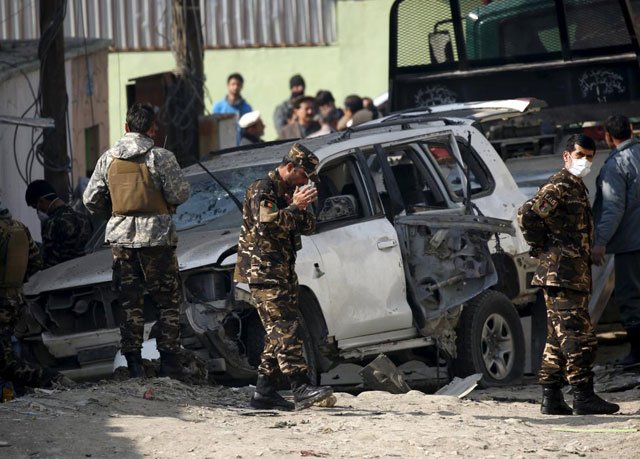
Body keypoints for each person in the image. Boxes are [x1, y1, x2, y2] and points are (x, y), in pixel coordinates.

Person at [83, 103, 191, 379]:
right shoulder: (161, 156)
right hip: (157, 238)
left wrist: (115, 210)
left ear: (127, 127)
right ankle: (170, 363)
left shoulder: (108, 159)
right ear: (153, 128)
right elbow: (179, 194)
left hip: (121, 239)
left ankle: (134, 364)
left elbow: (89, 199)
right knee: (168, 301)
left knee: (130, 303)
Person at [518, 134, 619, 415]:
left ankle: (551, 397)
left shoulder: (576, 187)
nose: (585, 161)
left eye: (589, 156)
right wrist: (540, 245)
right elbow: (528, 215)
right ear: (566, 156)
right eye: (579, 155)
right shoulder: (559, 186)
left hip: (571, 274)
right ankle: (583, 395)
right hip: (561, 274)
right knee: (578, 336)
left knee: (557, 339)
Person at [234, 143, 333, 411]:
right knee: (285, 328)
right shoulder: (261, 189)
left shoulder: (288, 194)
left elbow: (310, 227)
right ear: (290, 167)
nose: (306, 182)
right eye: (303, 176)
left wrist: (300, 207)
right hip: (264, 272)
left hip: (283, 271)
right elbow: (267, 226)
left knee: (276, 333)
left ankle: (264, 392)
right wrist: (293, 208)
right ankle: (300, 387)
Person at [0, 192, 73, 389]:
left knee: (5, 362)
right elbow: (35, 262)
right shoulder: (18, 227)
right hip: (15, 300)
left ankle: (49, 379)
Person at [592, 115, 640, 366]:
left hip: (631, 245)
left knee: (631, 297)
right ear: (632, 130)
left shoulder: (615, 165)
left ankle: (637, 354)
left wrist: (599, 242)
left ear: (608, 138)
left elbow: (613, 208)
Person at [25, 180, 92, 268]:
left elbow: (49, 262)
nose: (37, 211)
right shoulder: (84, 218)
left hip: (63, 276)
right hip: (86, 271)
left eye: (35, 207)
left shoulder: (52, 223)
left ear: (42, 201)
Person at [212, 73, 253, 145]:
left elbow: (250, 131)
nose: (235, 87)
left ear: (242, 86)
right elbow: (214, 129)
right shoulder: (219, 106)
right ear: (228, 86)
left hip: (242, 147)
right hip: (223, 146)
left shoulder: (247, 108)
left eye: (238, 84)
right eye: (233, 84)